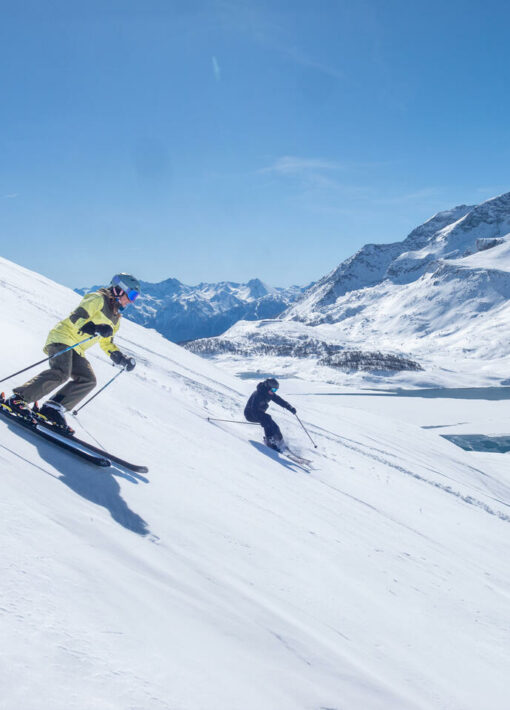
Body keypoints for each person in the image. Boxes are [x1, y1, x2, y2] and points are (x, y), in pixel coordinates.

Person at [6, 273, 140, 429]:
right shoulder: (97, 299)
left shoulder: (116, 317)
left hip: (77, 348)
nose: (131, 300)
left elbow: (106, 342)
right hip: (62, 338)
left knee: (88, 379)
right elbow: (76, 317)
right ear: (118, 289)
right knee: (61, 372)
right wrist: (94, 327)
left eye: (135, 297)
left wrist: (120, 357)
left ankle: (53, 407)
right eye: (131, 294)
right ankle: (18, 399)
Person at [244, 378, 296, 451]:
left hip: (260, 414)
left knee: (274, 426)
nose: (273, 392)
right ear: (268, 387)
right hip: (250, 414)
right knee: (267, 419)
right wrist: (261, 420)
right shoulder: (258, 394)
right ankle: (269, 441)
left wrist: (289, 407)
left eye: (275, 390)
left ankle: (280, 441)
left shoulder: (269, 393)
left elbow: (279, 400)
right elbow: (253, 410)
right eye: (273, 390)